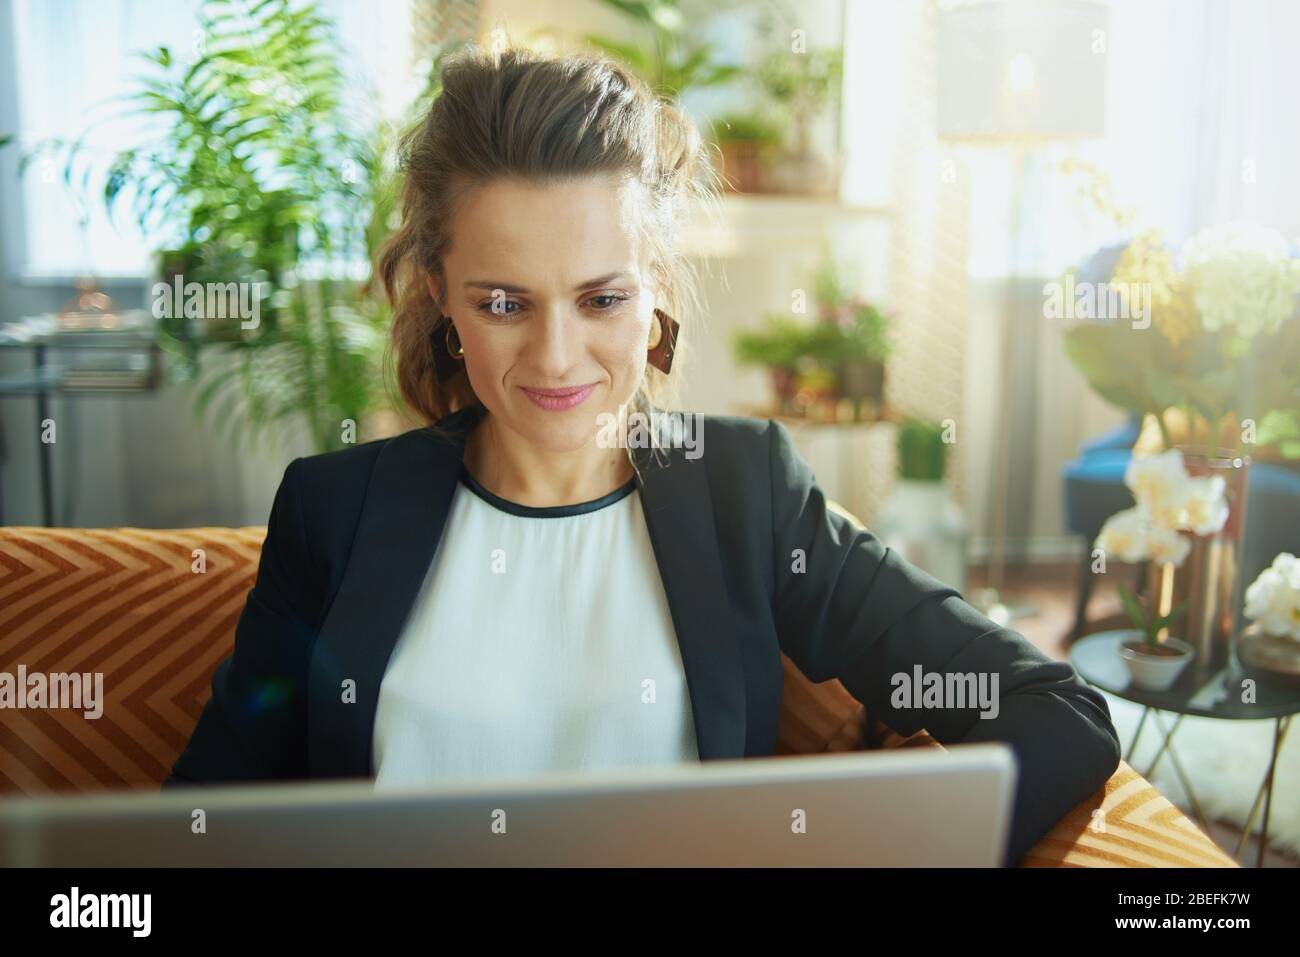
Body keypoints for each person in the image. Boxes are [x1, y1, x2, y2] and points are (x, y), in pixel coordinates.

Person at [165, 44, 1120, 866]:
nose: (556, 357)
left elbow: (1054, 711)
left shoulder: (744, 491)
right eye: (504, 302)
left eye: (602, 299)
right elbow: (203, 818)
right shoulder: (333, 510)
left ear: (656, 287)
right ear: (440, 294)